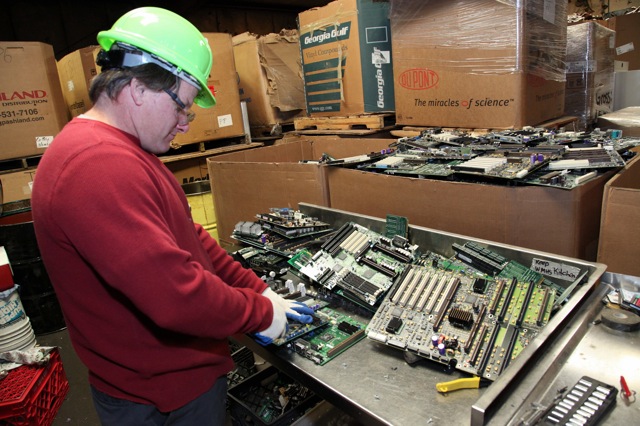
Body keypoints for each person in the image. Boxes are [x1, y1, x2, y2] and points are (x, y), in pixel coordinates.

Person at [31, 7, 314, 426]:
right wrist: (258, 313)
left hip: (173, 383)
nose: (184, 125)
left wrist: (259, 290)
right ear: (138, 88)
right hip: (158, 398)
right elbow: (175, 297)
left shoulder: (122, 150)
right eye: (182, 107)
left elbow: (189, 237)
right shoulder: (95, 167)